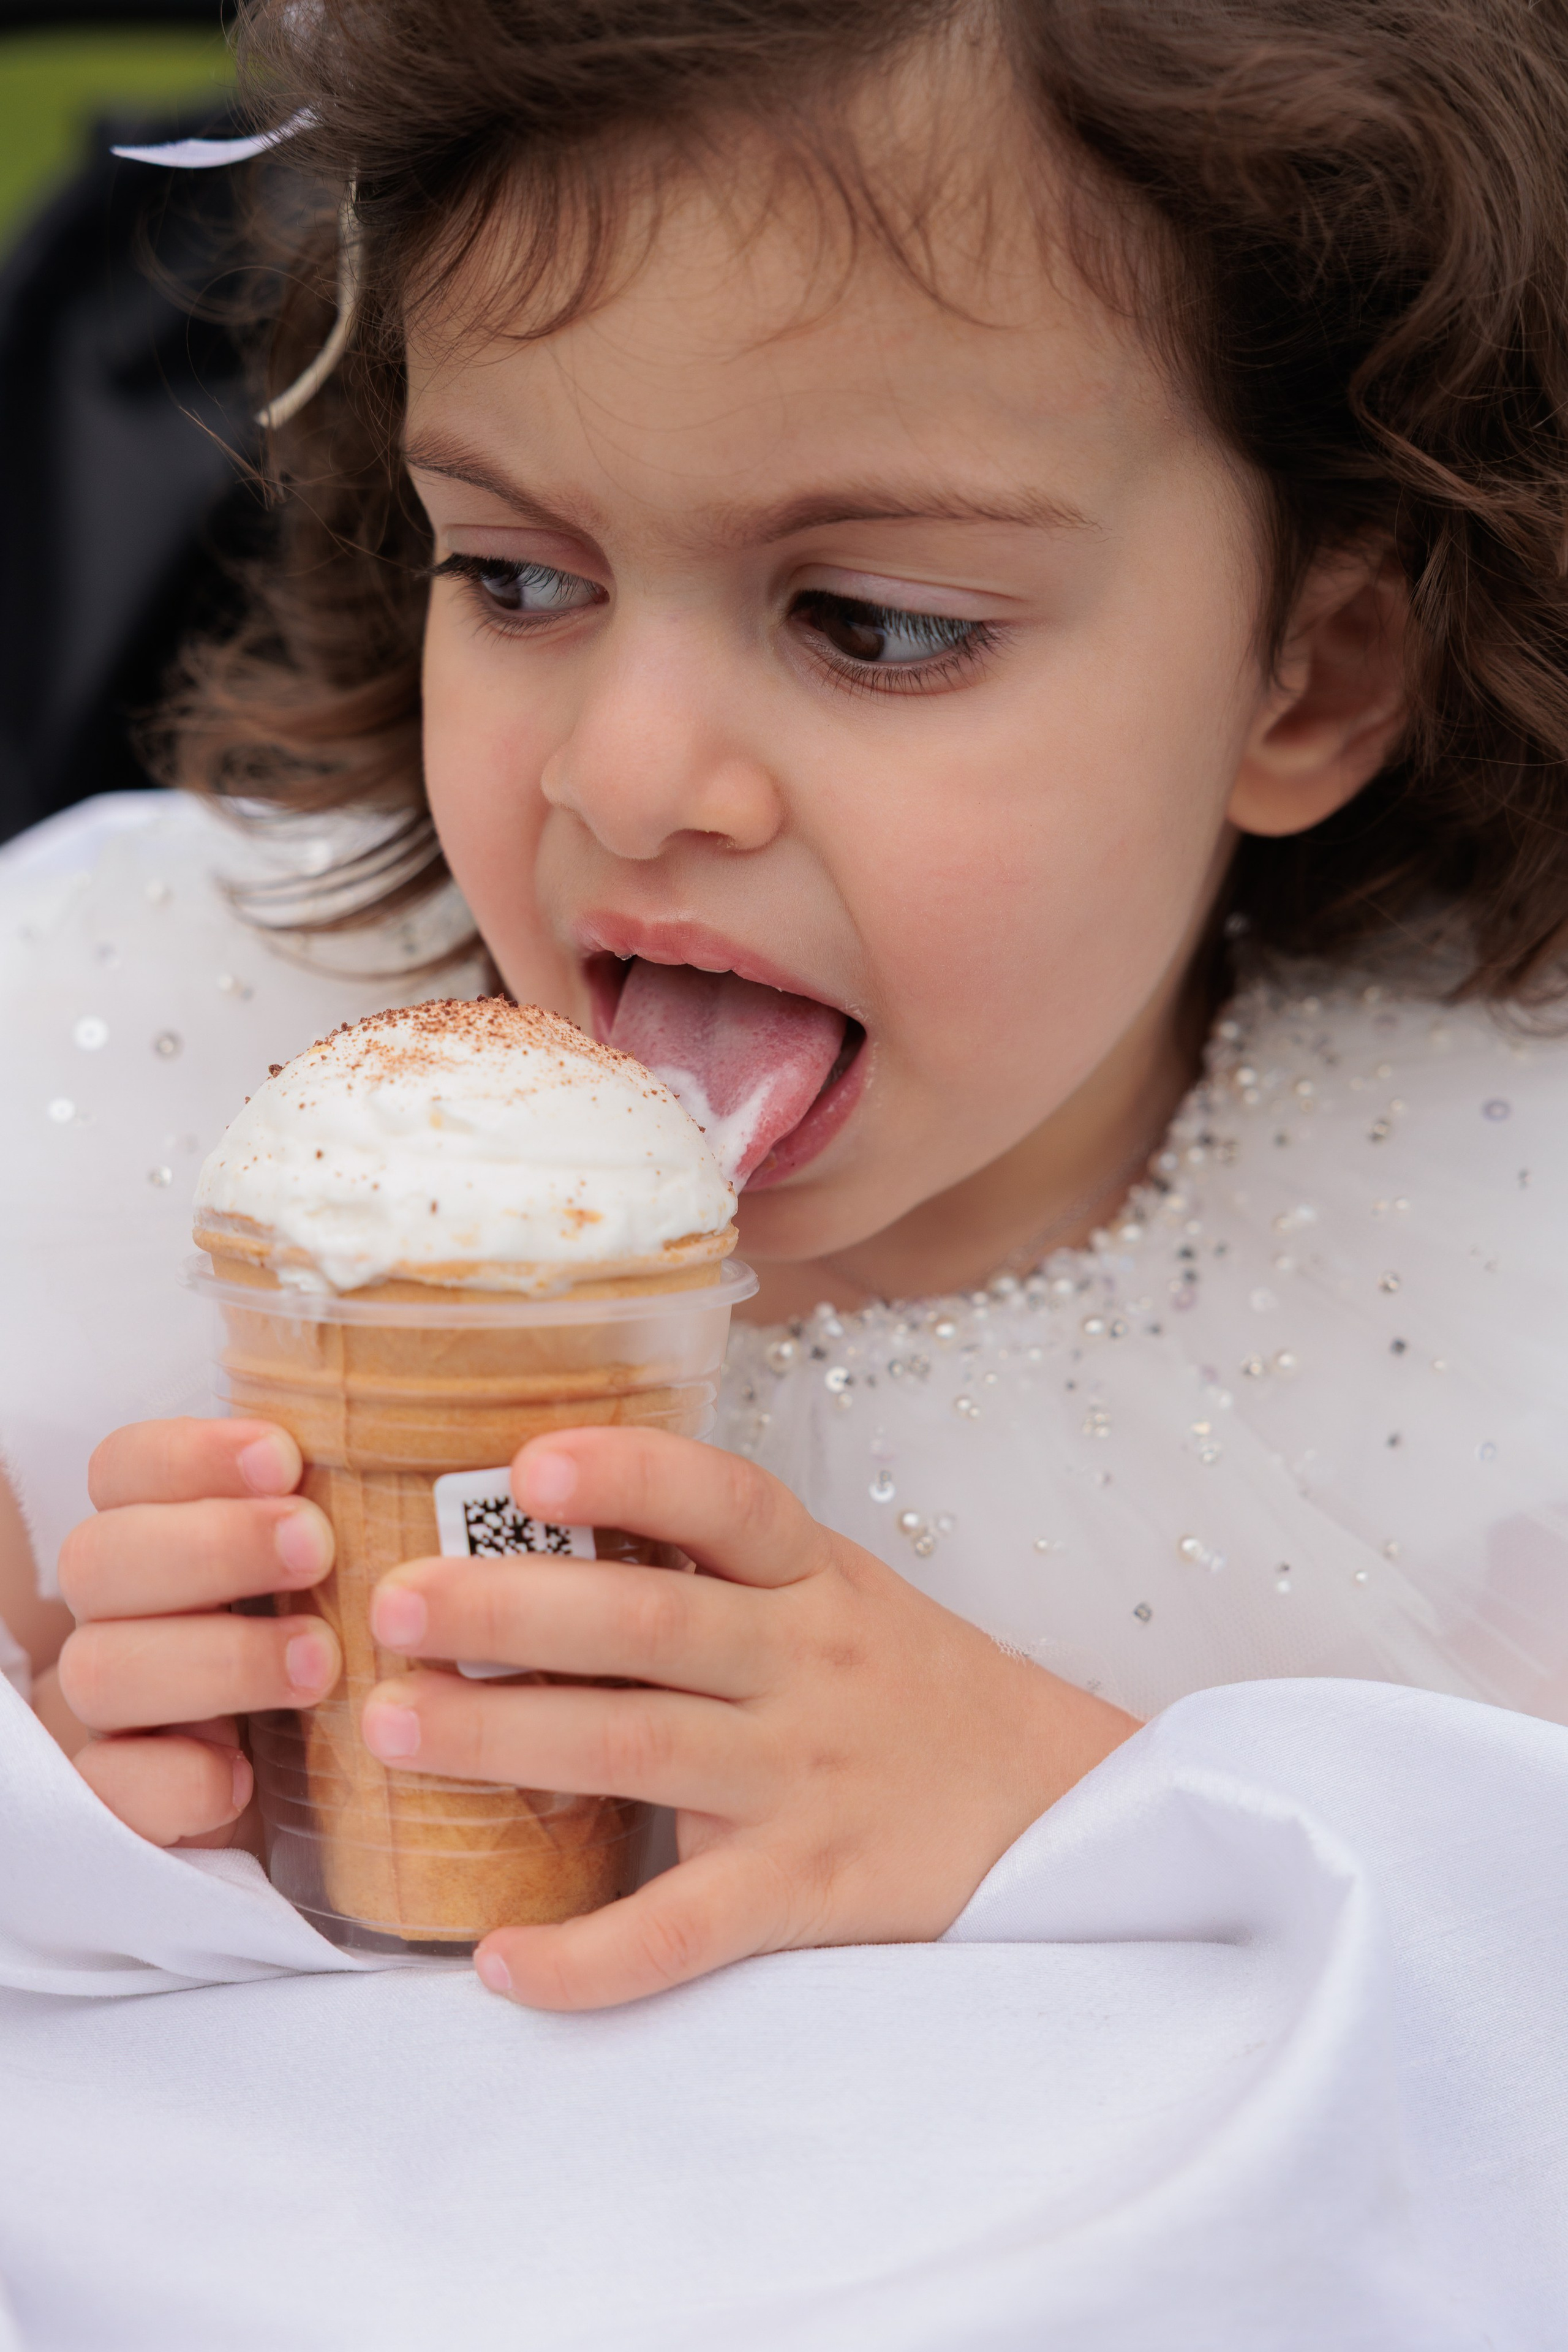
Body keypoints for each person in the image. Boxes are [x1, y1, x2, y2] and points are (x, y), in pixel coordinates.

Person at [3, 1, 1568, 2340]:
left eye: (879, 625)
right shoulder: (107, 1103)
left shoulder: (1489, 1344)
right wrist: (86, 1814)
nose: (632, 778)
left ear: (1305, 678)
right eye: (517, 577)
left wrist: (1111, 1828)